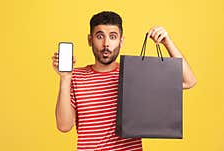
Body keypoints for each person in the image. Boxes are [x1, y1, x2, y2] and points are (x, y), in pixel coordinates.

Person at [52, 11, 197, 151]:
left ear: (121, 41)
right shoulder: (75, 77)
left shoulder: (134, 73)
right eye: (100, 36)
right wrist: (65, 78)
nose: (106, 44)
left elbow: (189, 81)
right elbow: (64, 126)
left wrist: (168, 43)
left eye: (113, 36)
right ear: (90, 40)